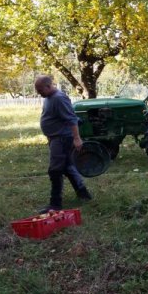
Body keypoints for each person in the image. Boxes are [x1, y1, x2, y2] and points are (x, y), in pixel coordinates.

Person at [34, 76, 92, 214]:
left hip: (62, 139)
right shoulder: (49, 98)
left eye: (40, 89)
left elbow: (72, 119)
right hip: (56, 138)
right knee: (67, 167)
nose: (38, 92)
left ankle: (55, 204)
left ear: (48, 86)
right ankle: (83, 194)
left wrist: (77, 138)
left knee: (55, 170)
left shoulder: (59, 98)